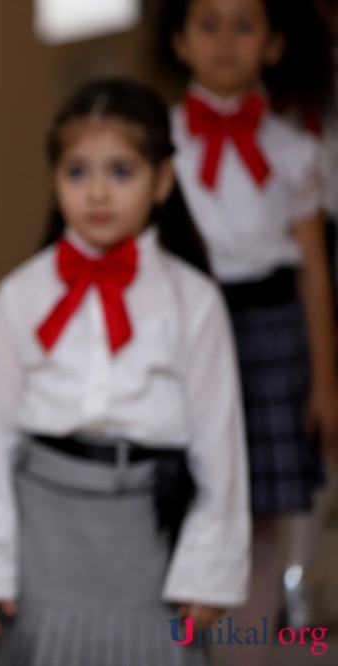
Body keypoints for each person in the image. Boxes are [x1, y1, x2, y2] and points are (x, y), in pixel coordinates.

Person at [0, 78, 250, 666]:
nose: (97, 192)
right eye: (77, 172)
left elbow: (220, 446)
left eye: (121, 172)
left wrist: (209, 568)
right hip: (45, 538)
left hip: (148, 543)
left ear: (162, 180)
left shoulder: (193, 301)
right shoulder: (19, 296)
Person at [156, 0, 338, 654]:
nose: (225, 40)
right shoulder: (159, 141)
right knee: (189, 505)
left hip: (269, 337)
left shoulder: (295, 149)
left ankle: (250, 651)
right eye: (208, 24)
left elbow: (315, 271)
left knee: (259, 517)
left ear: (274, 45)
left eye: (244, 25)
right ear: (179, 42)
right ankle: (185, 643)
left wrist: (325, 381)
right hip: (185, 334)